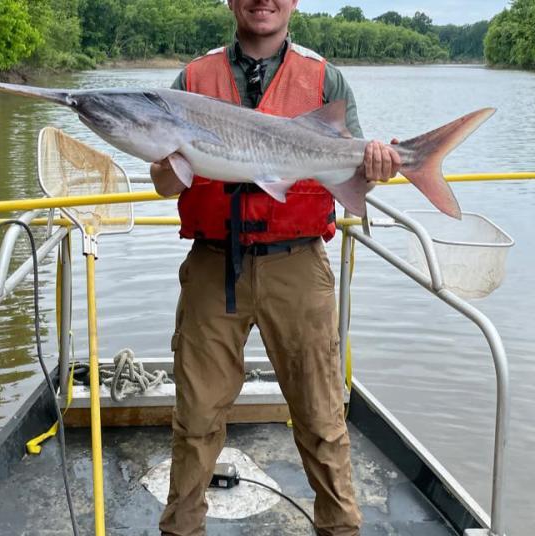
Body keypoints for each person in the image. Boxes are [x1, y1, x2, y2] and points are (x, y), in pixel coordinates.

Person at [150, 1, 401, 534]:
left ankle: (340, 528)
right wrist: (165, 166)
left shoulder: (326, 78)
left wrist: (378, 168)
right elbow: (165, 184)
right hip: (212, 265)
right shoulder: (191, 77)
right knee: (194, 418)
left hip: (298, 265)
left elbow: (352, 176)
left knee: (321, 415)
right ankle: (181, 528)